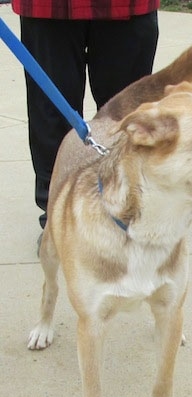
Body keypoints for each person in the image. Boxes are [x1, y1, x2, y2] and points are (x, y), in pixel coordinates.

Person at [12, 0, 159, 229]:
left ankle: (128, 206)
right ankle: (59, 218)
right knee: (52, 115)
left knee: (128, 117)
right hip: (48, 7)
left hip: (126, 6)